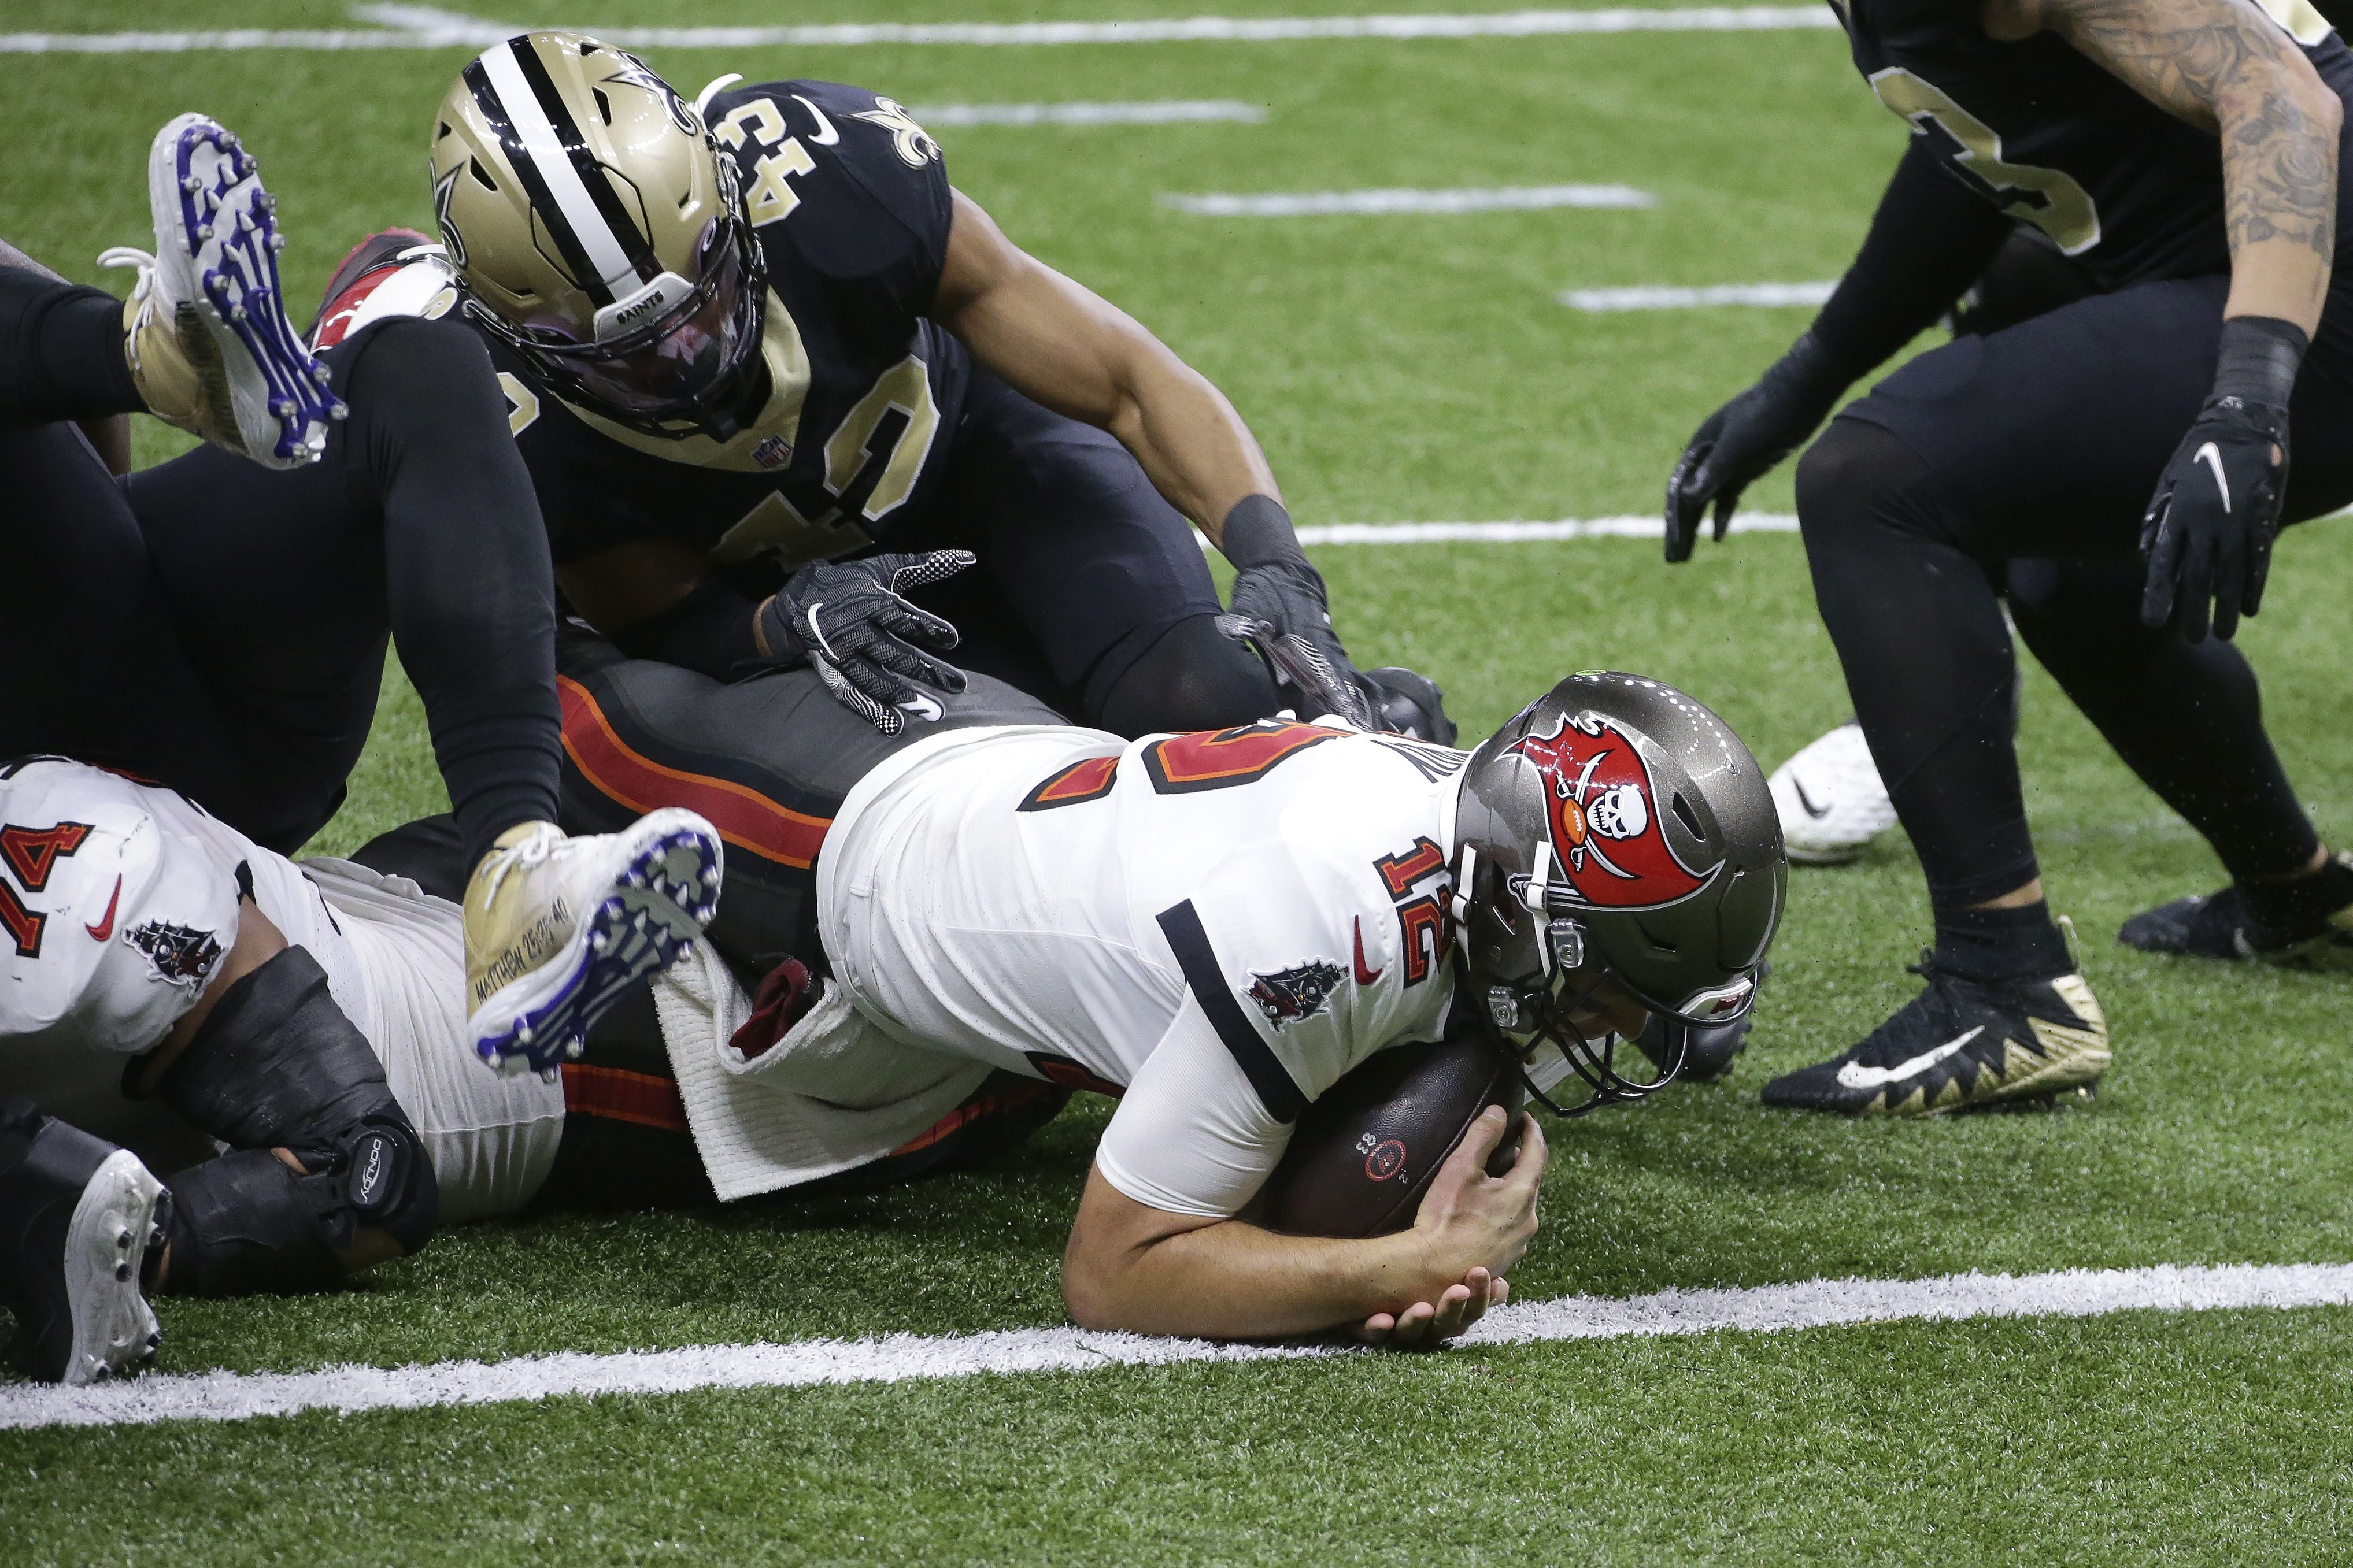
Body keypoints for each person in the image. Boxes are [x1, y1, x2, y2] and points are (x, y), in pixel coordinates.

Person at [350, 642, 1782, 1344]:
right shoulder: (1335, 929)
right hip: (840, 846)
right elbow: (1115, 1269)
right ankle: (390, 355)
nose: (1614, 1029)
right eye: (1605, 989)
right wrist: (1387, 1267)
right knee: (548, 712)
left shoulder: (1472, 818)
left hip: (1007, 770)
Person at [1664, 0, 2353, 1113]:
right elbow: (1986, 137)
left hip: (2313, 276)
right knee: (2052, 554)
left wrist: (2249, 399)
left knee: (1873, 480)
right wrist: (1799, 378)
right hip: (2243, 266)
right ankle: (2299, 891)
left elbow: (2280, 94)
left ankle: (2005, 981)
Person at [382, 30, 1447, 744]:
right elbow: (667, 617)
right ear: (519, 332)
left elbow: (1128, 379)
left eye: (700, 297)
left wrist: (1272, 557)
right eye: (628, 354)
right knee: (1020, 795)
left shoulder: (831, 176)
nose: (687, 359)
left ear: (728, 204)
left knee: (1205, 707)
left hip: (991, 463)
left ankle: (1365, 734)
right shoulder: (516, 417)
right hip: (823, 611)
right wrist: (778, 626)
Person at [0, 113, 723, 1072]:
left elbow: (77, 420)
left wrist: (65, 533)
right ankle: (161, 360)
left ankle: (519, 884)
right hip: (53, 768)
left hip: (140, 675)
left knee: (411, 365)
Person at [0, 755, 721, 1384]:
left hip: (471, 1037)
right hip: (364, 900)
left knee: (799, 986)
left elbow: (365, 1178)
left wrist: (130, 1234)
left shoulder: (53, 858)